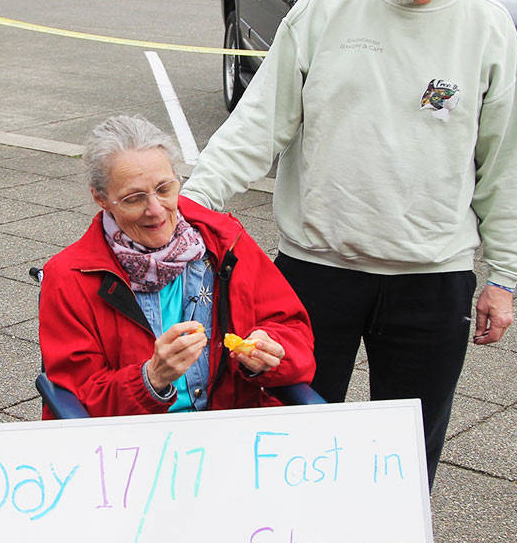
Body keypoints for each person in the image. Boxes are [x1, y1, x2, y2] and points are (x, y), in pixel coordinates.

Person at [182, 0, 517, 486]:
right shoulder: (327, 5)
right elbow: (259, 125)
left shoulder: (487, 28)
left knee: (406, 456)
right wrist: (187, 210)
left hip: (431, 278)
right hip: (317, 269)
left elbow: (507, 163)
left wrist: (503, 276)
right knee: (292, 445)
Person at [39, 116, 315, 418]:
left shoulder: (225, 243)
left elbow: (294, 331)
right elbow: (79, 397)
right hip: (132, 446)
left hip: (227, 429)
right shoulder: (70, 277)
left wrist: (271, 350)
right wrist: (151, 379)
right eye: (134, 198)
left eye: (164, 188)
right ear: (101, 198)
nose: (156, 210)